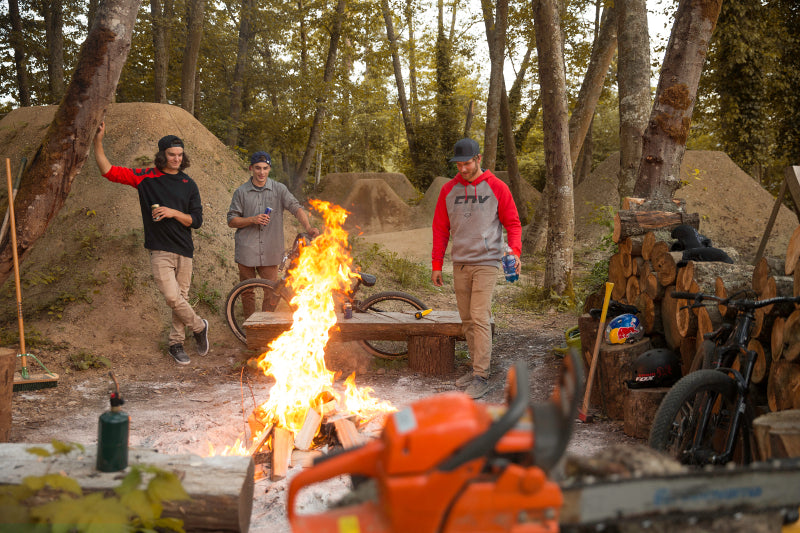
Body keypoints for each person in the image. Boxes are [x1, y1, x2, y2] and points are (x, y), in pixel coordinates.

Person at [93, 122, 209, 365]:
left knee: (182, 298)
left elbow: (196, 220)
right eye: (171, 155)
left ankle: (176, 344)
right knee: (172, 297)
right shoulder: (146, 178)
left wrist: (173, 212)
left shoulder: (189, 185)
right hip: (160, 249)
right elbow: (108, 171)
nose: (176, 159)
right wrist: (98, 141)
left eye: (179, 155)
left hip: (184, 249)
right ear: (162, 155)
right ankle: (199, 327)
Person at [431, 138, 522, 399]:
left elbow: (513, 223)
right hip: (460, 263)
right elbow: (440, 229)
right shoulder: (448, 190)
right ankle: (475, 368)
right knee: (467, 319)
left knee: (479, 315)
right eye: (458, 164)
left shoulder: (497, 187)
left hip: (487, 262)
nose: (462, 169)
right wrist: (437, 264)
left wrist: (515, 252)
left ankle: (482, 376)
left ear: (479, 159)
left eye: (467, 163)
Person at [227, 151, 320, 317]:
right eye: (257, 168)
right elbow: (231, 220)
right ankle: (250, 327)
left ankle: (264, 323)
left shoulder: (279, 189)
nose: (261, 172)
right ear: (251, 169)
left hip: (270, 250)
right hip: (246, 249)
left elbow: (296, 208)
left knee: (271, 291)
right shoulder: (241, 192)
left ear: (269, 169)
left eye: (265, 168)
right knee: (247, 291)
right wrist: (252, 219)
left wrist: (308, 227)